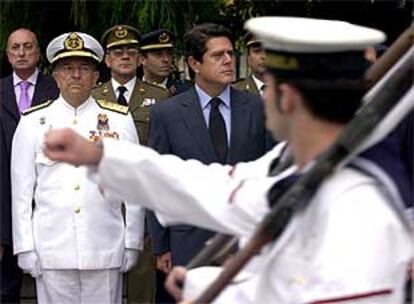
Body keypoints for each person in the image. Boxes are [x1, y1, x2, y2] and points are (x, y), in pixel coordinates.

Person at [43, 17, 413, 304]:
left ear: (288, 99)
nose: (261, 95)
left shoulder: (359, 212)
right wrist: (99, 156)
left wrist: (218, 293)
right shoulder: (294, 168)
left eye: (271, 83)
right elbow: (210, 185)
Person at [11, 31, 144, 304]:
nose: (75, 75)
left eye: (84, 68)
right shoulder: (33, 121)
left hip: (104, 244)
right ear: (56, 76)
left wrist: (132, 241)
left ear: (96, 76)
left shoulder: (119, 120)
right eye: (67, 68)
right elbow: (22, 191)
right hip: (51, 247)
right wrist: (24, 246)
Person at [146, 22, 272, 290]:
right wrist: (161, 246)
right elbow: (156, 182)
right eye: (218, 55)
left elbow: (272, 171)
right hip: (190, 242)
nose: (228, 61)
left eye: (230, 54)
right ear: (194, 63)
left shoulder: (257, 107)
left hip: (247, 241)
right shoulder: (166, 115)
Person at [0, 28, 59, 304]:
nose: (21, 53)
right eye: (15, 48)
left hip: (51, 204)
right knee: (6, 289)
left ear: (38, 51)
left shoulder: (57, 89)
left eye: (27, 47)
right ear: (7, 54)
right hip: (5, 205)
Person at [93, 24, 170, 146]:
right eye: (118, 53)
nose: (125, 57)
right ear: (107, 60)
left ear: (139, 59)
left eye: (132, 52)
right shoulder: (93, 96)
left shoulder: (160, 95)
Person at [140, 29, 191, 95]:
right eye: (158, 54)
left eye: (169, 54)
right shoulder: (130, 92)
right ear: (142, 59)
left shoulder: (186, 93)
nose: (166, 59)